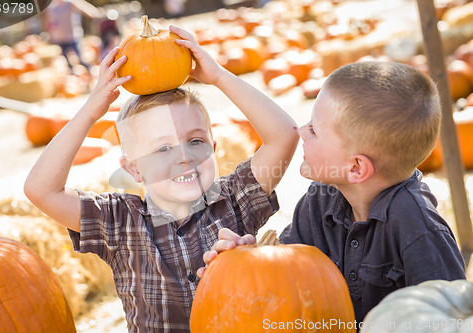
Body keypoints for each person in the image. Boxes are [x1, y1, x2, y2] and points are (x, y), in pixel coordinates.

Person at [24, 25, 299, 332]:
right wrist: (90, 111)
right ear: (134, 169)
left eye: (195, 141)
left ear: (214, 148)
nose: (183, 157)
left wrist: (220, 77)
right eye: (163, 148)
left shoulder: (234, 199)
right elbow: (41, 190)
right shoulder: (119, 222)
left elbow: (284, 137)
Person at [200, 61, 466, 326]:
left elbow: (450, 317)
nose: (302, 131)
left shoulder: (418, 229)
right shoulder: (319, 200)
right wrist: (250, 261)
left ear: (355, 167)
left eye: (314, 130)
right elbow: (287, 276)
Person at [44, 0, 101, 70]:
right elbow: (50, 22)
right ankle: (74, 74)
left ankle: (89, 70)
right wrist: (51, 34)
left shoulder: (70, 3)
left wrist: (95, 13)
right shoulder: (51, 7)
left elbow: (84, 8)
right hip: (59, 38)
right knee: (66, 61)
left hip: (72, 37)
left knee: (80, 57)